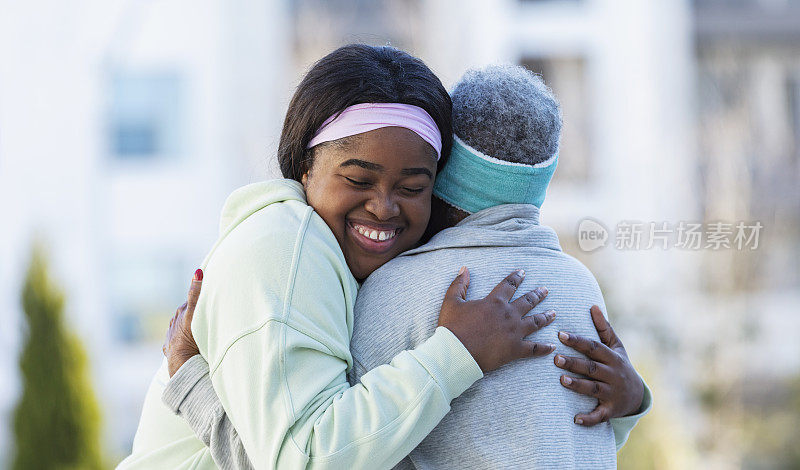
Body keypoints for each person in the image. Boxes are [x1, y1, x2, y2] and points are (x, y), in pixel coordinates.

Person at [160, 65, 652, 469]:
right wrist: (630, 407)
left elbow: (309, 459)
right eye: (358, 178)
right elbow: (562, 438)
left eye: (412, 186)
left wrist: (190, 383)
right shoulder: (579, 283)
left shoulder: (395, 291)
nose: (383, 207)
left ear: (443, 179)